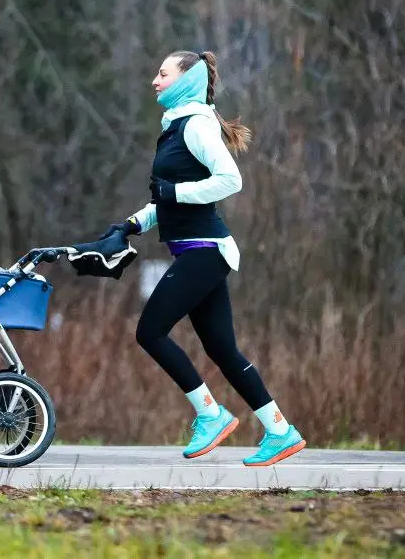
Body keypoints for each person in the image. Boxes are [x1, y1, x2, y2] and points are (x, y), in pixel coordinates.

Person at [101, 50, 306, 466]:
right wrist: (129, 226)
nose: (154, 81)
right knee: (223, 350)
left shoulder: (195, 125)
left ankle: (210, 414)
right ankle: (280, 430)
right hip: (200, 251)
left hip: (204, 251)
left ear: (185, 80)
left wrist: (173, 194)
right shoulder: (177, 126)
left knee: (150, 332)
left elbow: (231, 180)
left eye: (162, 74)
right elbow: (166, 200)